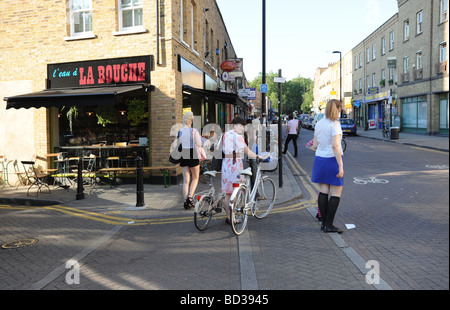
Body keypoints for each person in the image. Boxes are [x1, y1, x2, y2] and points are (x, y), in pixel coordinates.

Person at [309, 99, 344, 233]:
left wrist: (316, 147)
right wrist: (340, 166)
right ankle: (329, 224)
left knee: (323, 191)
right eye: (340, 110)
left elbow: (315, 145)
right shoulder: (335, 125)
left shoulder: (319, 123)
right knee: (336, 193)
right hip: (332, 160)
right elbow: (335, 146)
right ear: (337, 110)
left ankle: (323, 223)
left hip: (320, 159)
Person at [222, 117, 260, 224]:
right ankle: (232, 218)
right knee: (235, 192)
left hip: (225, 165)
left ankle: (228, 217)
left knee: (228, 193)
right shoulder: (237, 137)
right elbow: (247, 151)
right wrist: (257, 156)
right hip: (235, 166)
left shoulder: (226, 134)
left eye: (243, 126)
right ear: (234, 125)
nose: (242, 128)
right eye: (241, 125)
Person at [178, 111, 203, 209]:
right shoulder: (194, 131)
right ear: (192, 120)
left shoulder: (180, 131)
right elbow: (199, 144)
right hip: (192, 153)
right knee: (195, 178)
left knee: (185, 180)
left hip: (183, 154)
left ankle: (185, 201)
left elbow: (178, 143)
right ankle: (190, 198)